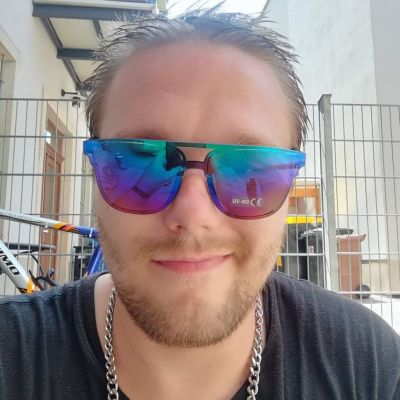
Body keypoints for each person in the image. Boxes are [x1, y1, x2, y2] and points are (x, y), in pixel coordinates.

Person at [1, 6, 399, 400]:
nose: (193, 214)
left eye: (246, 168)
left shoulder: (370, 366)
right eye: (141, 162)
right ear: (95, 173)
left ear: (290, 185)